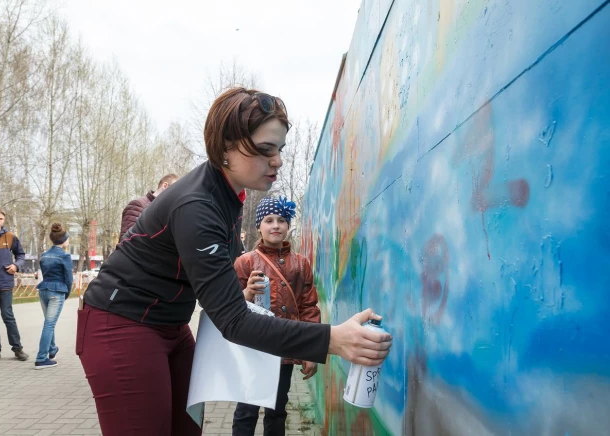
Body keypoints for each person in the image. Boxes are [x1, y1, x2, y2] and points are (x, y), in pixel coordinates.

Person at [77, 87, 392, 436]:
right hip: (121, 325)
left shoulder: (230, 193)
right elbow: (234, 322)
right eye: (264, 149)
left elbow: (220, 293)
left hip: (171, 327)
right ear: (226, 147)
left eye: (280, 149)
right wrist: (333, 339)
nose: (278, 160)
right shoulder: (197, 205)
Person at [232, 195, 320, 436]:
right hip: (252, 350)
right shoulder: (245, 262)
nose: (275, 225)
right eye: (268, 220)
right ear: (258, 226)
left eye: (282, 220)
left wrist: (310, 351)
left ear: (288, 225)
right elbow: (228, 307)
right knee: (246, 411)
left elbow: (309, 307)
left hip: (285, 349)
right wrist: (247, 293)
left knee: (277, 410)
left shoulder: (301, 264)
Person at [0, 205, 28, 362]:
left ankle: (18, 348)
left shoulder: (10, 236)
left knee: (8, 316)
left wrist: (16, 265)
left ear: (4, 220)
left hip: (6, 282)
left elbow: (20, 254)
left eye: (0, 218)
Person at [34, 223, 72, 369]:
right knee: (49, 325)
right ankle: (41, 358)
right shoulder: (65, 256)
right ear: (63, 240)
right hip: (57, 292)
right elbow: (68, 279)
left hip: (43, 290)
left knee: (48, 323)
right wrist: (66, 293)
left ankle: (51, 349)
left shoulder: (44, 255)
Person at [118, 173, 179, 241]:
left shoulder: (168, 212)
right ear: (165, 186)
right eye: (175, 190)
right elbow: (127, 240)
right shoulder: (138, 204)